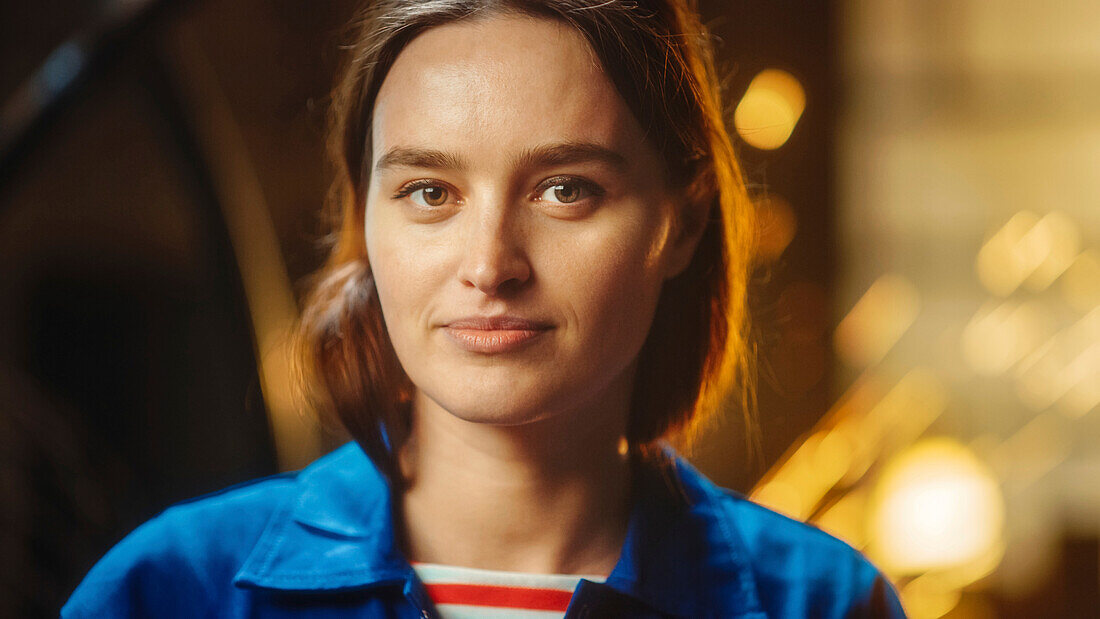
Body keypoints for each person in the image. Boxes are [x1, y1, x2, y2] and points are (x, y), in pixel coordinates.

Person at [63, 1, 905, 617]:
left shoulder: (826, 603)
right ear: (366, 215)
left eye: (565, 189)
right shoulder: (165, 590)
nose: (489, 264)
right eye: (430, 191)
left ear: (680, 220)